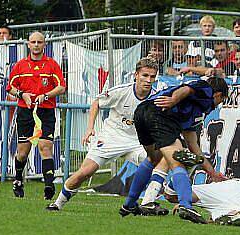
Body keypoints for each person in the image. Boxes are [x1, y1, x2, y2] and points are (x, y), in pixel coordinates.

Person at [46, 58, 157, 211]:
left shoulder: (156, 98)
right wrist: (90, 128)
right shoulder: (121, 91)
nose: (148, 80)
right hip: (111, 138)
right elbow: (96, 103)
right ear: (136, 75)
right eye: (145, 75)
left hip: (137, 142)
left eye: (152, 77)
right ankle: (58, 203)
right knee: (85, 172)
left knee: (157, 164)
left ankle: (148, 205)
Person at [120, 77, 229, 223]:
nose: (217, 105)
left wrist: (212, 173)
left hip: (141, 113)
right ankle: (185, 205)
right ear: (218, 94)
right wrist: (173, 100)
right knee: (178, 161)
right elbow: (186, 89)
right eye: (221, 100)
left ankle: (129, 204)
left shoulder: (193, 111)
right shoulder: (206, 88)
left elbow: (193, 144)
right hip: (160, 114)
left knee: (154, 158)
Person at [6, 32, 66, 199]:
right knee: (23, 151)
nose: (36, 45)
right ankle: (18, 180)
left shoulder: (52, 65)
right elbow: (10, 87)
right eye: (33, 42)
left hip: (45, 111)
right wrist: (21, 94)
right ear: (28, 44)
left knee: (45, 146)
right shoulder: (20, 65)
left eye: (40, 42)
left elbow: (61, 87)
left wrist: (46, 95)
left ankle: (49, 186)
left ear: (44, 44)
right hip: (26, 111)